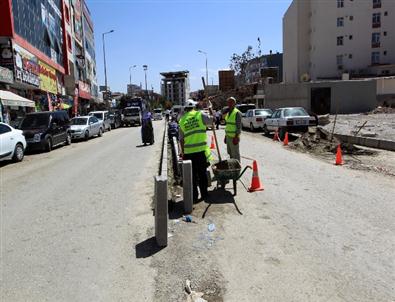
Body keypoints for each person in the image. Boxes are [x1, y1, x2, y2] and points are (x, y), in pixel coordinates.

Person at [179, 104, 213, 202]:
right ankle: (204, 194)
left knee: (192, 176)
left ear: (185, 110)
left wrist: (183, 153)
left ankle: (194, 197)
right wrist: (210, 109)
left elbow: (181, 139)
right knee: (202, 174)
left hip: (189, 153)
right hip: (200, 152)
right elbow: (211, 121)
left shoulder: (182, 120)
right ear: (193, 108)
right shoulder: (200, 114)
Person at [224, 97, 242, 162]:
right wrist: (226, 136)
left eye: (231, 102)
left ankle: (237, 167)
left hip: (234, 137)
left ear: (234, 103)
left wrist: (236, 136)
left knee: (235, 154)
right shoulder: (228, 113)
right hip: (228, 136)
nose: (229, 104)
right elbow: (228, 125)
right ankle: (232, 166)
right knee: (230, 153)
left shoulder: (237, 113)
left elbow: (239, 126)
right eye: (228, 102)